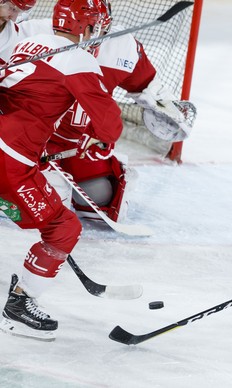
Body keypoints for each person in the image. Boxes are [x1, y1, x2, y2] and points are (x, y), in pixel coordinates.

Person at [0, 0, 194, 223]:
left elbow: (149, 90)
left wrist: (168, 111)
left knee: (101, 196)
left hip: (79, 146)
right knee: (39, 201)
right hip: (27, 139)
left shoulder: (123, 47)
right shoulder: (29, 33)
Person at [0, 0, 122, 341]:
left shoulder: (25, 44)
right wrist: (101, 141)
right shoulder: (78, 59)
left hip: (10, 149)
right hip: (9, 160)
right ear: (85, 25)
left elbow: (23, 100)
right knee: (63, 227)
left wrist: (41, 148)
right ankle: (20, 305)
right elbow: (109, 124)